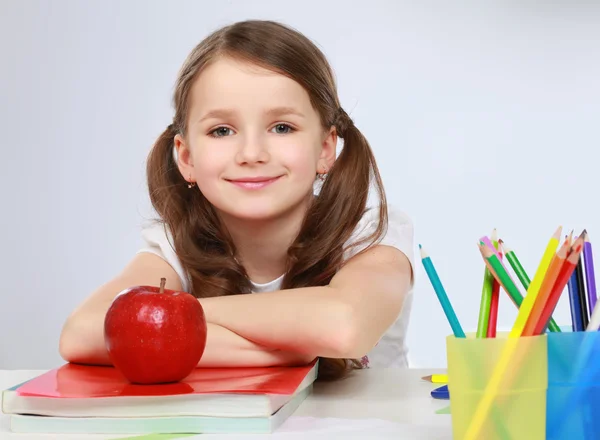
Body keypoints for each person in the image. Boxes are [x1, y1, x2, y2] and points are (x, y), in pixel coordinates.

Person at [59, 19, 415, 381]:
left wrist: (167, 318)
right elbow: (83, 332)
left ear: (325, 148)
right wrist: (286, 352)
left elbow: (343, 326)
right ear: (187, 158)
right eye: (222, 130)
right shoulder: (174, 246)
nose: (251, 153)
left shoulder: (371, 234)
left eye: (282, 127)